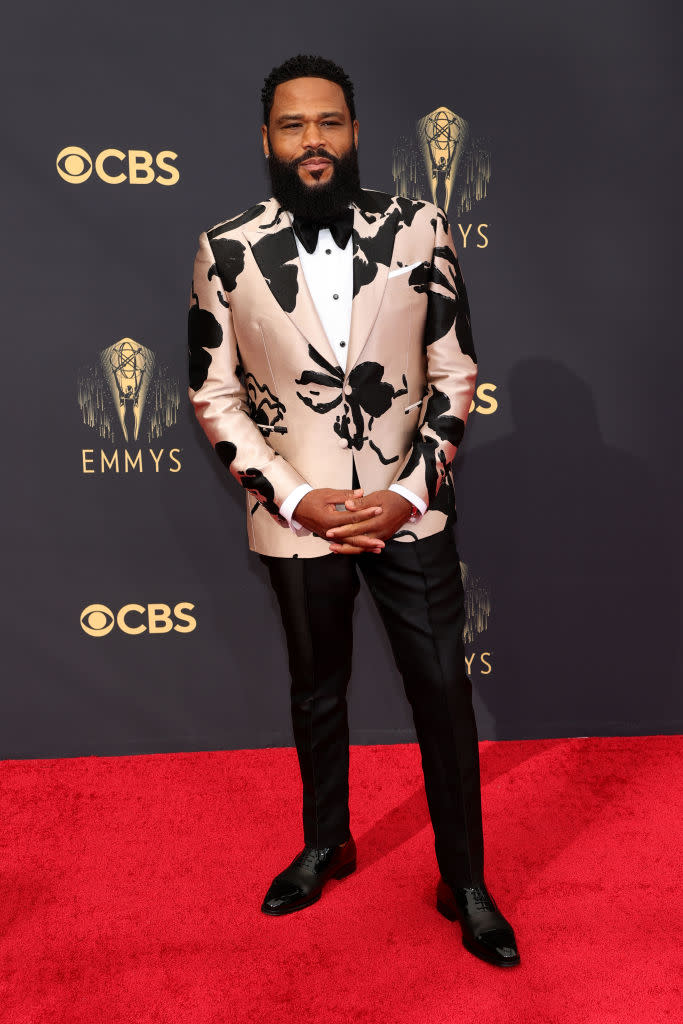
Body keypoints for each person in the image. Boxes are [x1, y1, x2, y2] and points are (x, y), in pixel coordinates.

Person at [188, 54, 520, 968]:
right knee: (316, 692)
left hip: (407, 509)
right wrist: (295, 496)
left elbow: (455, 370)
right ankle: (325, 842)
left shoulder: (419, 227)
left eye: (328, 122)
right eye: (293, 127)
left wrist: (409, 491)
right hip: (297, 520)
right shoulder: (225, 245)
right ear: (267, 141)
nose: (312, 141)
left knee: (444, 698)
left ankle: (465, 881)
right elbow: (212, 395)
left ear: (354, 131)